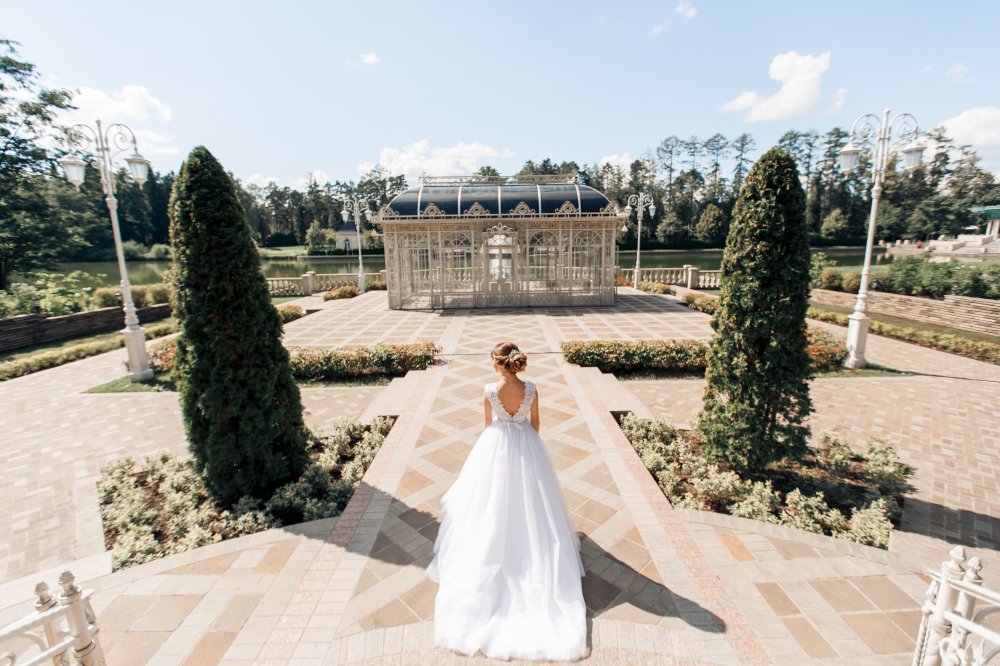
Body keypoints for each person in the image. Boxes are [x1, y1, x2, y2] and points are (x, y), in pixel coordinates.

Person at [427, 342, 588, 661]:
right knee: (534, 501)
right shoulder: (531, 388)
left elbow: (488, 425)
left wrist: (503, 436)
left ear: (499, 364)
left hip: (496, 446)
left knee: (491, 503)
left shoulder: (490, 390)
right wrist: (526, 441)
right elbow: (536, 424)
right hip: (527, 444)